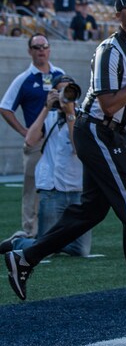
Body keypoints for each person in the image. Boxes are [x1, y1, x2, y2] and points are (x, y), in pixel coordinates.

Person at [5, 0, 126, 307]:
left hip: (113, 133)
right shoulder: (109, 50)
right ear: (117, 14)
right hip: (96, 130)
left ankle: (25, 257)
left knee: (90, 211)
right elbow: (109, 104)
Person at [0, 74, 92, 258]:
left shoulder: (84, 116)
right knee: (45, 250)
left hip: (77, 189)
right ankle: (20, 241)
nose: (65, 95)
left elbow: (77, 148)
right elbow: (30, 141)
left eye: (69, 90)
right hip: (51, 190)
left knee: (80, 250)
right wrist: (45, 107)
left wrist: (70, 114)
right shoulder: (48, 115)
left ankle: (48, 243)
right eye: (61, 91)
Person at [1, 33, 64, 237]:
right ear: (30, 51)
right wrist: (23, 131)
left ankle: (56, 232)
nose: (41, 51)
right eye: (36, 47)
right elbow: (5, 107)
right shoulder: (24, 79)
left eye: (44, 46)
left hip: (58, 139)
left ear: (49, 49)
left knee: (60, 185)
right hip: (36, 141)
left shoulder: (60, 74)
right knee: (32, 188)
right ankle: (30, 232)